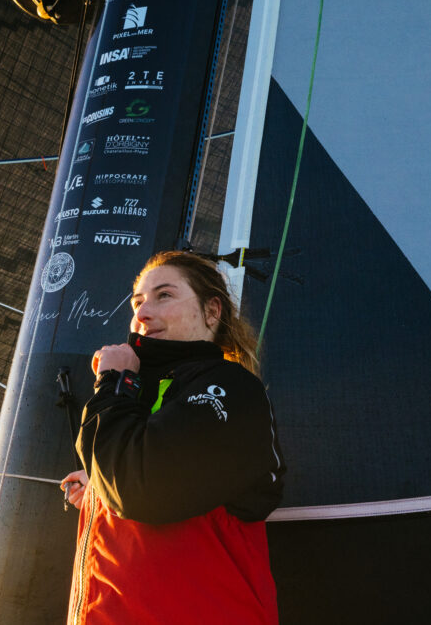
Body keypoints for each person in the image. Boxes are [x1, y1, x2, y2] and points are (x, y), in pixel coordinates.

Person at [60, 250, 286, 624]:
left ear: (212, 312)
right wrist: (99, 489)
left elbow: (141, 488)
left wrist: (115, 383)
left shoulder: (229, 387)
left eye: (164, 296)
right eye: (138, 303)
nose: (143, 314)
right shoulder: (134, 401)